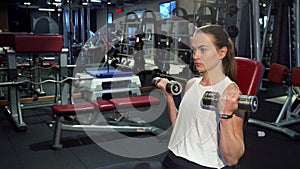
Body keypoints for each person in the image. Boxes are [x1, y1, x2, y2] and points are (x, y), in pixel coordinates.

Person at [157, 25, 245, 169]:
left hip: (203, 165)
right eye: (194, 50)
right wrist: (169, 98)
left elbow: (232, 158)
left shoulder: (230, 93)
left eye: (203, 50)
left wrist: (226, 116)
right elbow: (179, 127)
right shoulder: (191, 84)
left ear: (222, 52)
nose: (195, 56)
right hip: (172, 159)